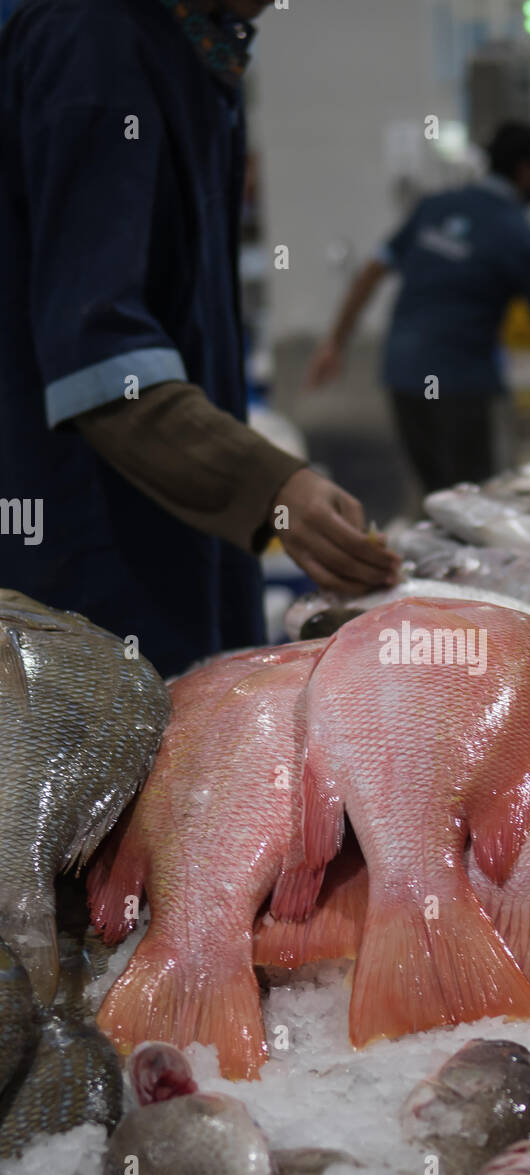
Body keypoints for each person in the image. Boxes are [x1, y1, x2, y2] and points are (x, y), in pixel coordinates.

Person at [0, 0, 399, 677]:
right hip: (85, 570)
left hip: (177, 552)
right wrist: (271, 486)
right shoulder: (93, 38)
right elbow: (98, 354)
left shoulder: (200, 51)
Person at [305, 122, 530, 494]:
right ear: (527, 170)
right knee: (473, 503)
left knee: (437, 496)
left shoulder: (434, 206)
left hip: (403, 375)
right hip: (460, 385)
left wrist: (335, 343)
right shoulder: (522, 238)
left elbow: (370, 273)